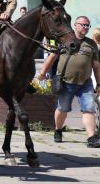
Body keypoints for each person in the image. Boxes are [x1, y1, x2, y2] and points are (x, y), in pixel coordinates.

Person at [38, 16, 100, 148]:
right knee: (62, 108)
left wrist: (99, 84)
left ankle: (91, 138)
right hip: (65, 82)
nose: (85, 28)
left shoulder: (91, 44)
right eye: (82, 25)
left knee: (89, 108)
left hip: (85, 83)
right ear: (75, 25)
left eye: (87, 26)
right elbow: (52, 57)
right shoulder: (64, 41)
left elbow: (96, 66)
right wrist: (42, 73)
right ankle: (58, 130)